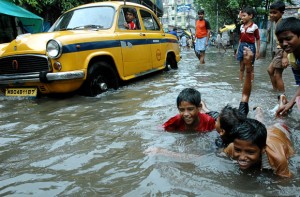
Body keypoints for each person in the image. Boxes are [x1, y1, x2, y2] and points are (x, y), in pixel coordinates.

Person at [224, 107, 294, 178]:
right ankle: (258, 110)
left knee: (281, 119)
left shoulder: (278, 159)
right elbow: (222, 154)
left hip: (280, 131)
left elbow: (285, 180)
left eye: (250, 152)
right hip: (262, 135)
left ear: (263, 149)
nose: (242, 157)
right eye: (238, 150)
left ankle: (282, 105)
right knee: (259, 124)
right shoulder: (233, 147)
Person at [275, 17, 300, 117]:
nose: (284, 44)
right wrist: (290, 104)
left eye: (288, 39)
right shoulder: (292, 57)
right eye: (281, 41)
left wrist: (291, 103)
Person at [267, 1, 288, 93]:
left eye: (275, 13)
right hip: (279, 50)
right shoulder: (277, 23)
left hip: (282, 50)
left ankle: (282, 96)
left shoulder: (282, 24)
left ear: (282, 13)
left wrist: (284, 57)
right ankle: (275, 91)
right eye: (271, 12)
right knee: (270, 70)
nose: (272, 15)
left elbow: (286, 41)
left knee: (277, 74)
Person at [236, 6, 260, 81]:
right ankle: (240, 83)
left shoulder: (254, 27)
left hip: (251, 47)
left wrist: (258, 52)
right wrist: (237, 50)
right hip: (241, 46)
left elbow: (258, 39)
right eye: (241, 16)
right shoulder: (241, 27)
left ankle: (251, 83)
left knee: (250, 67)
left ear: (250, 16)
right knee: (241, 67)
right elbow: (240, 39)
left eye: (244, 16)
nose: (242, 18)